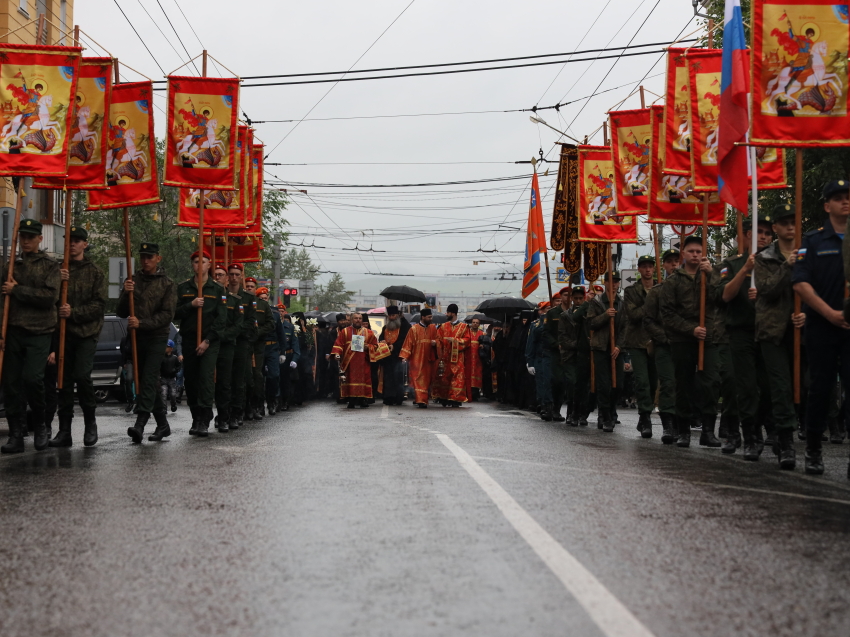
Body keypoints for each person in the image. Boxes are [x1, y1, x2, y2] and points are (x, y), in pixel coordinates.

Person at [796, 180, 850, 475]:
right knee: (821, 388)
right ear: (827, 206)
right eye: (838, 198)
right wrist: (830, 314)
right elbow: (801, 283)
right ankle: (814, 448)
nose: (845, 201)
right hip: (822, 325)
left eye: (848, 197)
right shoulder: (814, 241)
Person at [715, 217, 775, 458]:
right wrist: (745, 270)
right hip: (741, 332)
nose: (764, 237)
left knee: (770, 388)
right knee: (743, 386)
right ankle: (747, 435)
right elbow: (724, 295)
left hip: (770, 331)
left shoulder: (777, 263)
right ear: (748, 235)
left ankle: (760, 426)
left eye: (768, 233)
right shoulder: (730, 264)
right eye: (759, 232)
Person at [0, 219, 60, 454]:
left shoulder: (50, 266)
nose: (26, 241)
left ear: (39, 239)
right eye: (23, 236)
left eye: (30, 237)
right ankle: (16, 434)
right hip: (13, 330)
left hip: (39, 330)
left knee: (33, 379)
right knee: (10, 383)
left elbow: (49, 298)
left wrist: (17, 290)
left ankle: (41, 425)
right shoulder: (11, 266)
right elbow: (1, 299)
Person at [756, 203, 807, 470]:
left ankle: (784, 429)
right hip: (773, 331)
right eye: (785, 223)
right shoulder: (763, 257)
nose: (790, 227)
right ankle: (786, 441)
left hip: (802, 330)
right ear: (775, 228)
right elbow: (766, 290)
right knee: (780, 386)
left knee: (803, 385)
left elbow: (819, 288)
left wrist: (806, 313)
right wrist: (787, 266)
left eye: (794, 222)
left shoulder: (809, 253)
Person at [659, 235, 721, 448]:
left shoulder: (711, 275)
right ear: (683, 254)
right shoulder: (673, 281)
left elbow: (722, 298)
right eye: (691, 251)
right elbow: (667, 314)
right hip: (682, 339)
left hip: (708, 336)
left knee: (711, 382)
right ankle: (684, 430)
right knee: (683, 384)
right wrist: (691, 329)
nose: (695, 255)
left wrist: (712, 275)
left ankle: (708, 431)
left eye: (699, 252)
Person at [49, 225, 106, 448]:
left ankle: (90, 423)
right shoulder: (57, 270)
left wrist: (73, 312)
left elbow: (99, 305)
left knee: (82, 376)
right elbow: (47, 300)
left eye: (76, 241)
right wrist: (57, 281)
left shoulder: (95, 272)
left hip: (86, 333)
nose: (72, 244)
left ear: (85, 244)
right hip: (62, 334)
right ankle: (64, 430)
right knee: (63, 381)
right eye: (69, 240)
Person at [120, 242, 177, 443]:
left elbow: (167, 315)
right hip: (137, 337)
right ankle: (163, 425)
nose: (145, 260)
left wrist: (142, 323)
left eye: (150, 257)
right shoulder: (133, 280)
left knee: (149, 377)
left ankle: (140, 423)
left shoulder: (167, 284)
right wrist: (125, 292)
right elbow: (121, 311)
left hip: (157, 336)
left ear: (158, 258)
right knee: (149, 382)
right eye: (143, 256)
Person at [174, 250, 225, 437]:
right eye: (196, 262)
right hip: (189, 339)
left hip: (209, 341)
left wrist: (207, 340)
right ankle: (196, 417)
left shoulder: (217, 289)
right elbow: (173, 313)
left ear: (209, 265)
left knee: (205, 379)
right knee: (191, 380)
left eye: (203, 262)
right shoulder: (183, 288)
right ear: (192, 265)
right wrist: (191, 305)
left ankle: (204, 418)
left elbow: (221, 319)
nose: (199, 265)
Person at [643, 249, 680, 443]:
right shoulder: (657, 291)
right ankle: (668, 425)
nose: (674, 265)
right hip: (664, 345)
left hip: (686, 343)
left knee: (685, 384)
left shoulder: (693, 289)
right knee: (667, 383)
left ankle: (683, 424)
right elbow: (648, 320)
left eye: (677, 261)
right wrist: (664, 337)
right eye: (670, 261)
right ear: (664, 265)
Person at [586, 275, 625, 432]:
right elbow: (591, 323)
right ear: (605, 282)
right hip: (601, 347)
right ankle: (605, 416)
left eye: (616, 281)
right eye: (611, 281)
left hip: (617, 349)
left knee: (619, 384)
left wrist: (619, 346)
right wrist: (605, 315)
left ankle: (611, 410)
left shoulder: (622, 302)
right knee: (603, 384)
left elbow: (626, 327)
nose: (614, 284)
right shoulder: (597, 302)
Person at [226, 263, 254, 429]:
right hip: (225, 341)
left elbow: (250, 321)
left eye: (237, 274)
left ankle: (236, 412)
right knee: (224, 379)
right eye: (231, 274)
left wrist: (235, 331)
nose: (234, 277)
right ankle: (224, 412)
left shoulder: (248, 298)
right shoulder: (223, 294)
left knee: (238, 379)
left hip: (241, 341)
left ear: (241, 276)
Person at [331, 312, 378, 408]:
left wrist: (368, 347)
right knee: (350, 380)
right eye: (356, 318)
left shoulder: (369, 333)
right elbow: (339, 344)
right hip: (350, 362)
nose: (358, 320)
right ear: (352, 320)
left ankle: (363, 399)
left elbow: (375, 346)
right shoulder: (345, 332)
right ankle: (351, 400)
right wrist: (336, 353)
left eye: (360, 318)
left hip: (363, 362)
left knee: (364, 380)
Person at [244, 276, 274, 419]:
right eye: (247, 286)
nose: (249, 288)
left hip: (257, 345)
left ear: (255, 288)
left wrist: (257, 332)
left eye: (251, 286)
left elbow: (270, 324)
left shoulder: (262, 305)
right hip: (243, 343)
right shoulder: (240, 300)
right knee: (244, 376)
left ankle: (256, 406)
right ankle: (243, 407)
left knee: (257, 375)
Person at [432, 304, 471, 407]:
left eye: (448, 312)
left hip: (458, 359)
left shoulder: (464, 327)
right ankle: (444, 398)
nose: (446, 314)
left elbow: (467, 341)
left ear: (453, 313)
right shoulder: (443, 326)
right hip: (445, 358)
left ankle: (456, 399)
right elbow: (439, 339)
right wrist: (436, 342)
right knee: (445, 378)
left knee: (457, 378)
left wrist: (454, 340)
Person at [400, 309, 438, 407]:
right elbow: (408, 343)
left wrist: (436, 343)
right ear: (423, 317)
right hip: (416, 360)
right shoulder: (414, 329)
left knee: (426, 380)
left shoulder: (433, 328)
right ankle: (421, 400)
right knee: (417, 379)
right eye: (429, 317)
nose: (431, 319)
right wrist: (404, 356)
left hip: (428, 360)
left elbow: (439, 340)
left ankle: (420, 399)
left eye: (431, 317)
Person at [544, 289, 572, 422]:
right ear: (561, 296)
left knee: (571, 382)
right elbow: (546, 332)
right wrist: (556, 344)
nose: (568, 297)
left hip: (572, 351)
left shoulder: (575, 312)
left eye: (570, 295)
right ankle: (555, 408)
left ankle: (572, 412)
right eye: (565, 295)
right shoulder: (552, 313)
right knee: (558, 381)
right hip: (557, 352)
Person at [559, 286, 584, 426]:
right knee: (572, 383)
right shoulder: (564, 316)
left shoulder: (588, 314)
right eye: (576, 298)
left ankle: (581, 413)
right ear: (572, 299)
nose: (578, 301)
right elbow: (562, 336)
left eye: (581, 298)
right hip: (569, 355)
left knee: (583, 385)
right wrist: (577, 344)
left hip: (584, 354)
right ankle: (571, 412)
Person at [377, 306, 410, 406]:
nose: (391, 317)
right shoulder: (385, 327)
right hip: (387, 357)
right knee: (388, 378)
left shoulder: (403, 326)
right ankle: (388, 397)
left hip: (397, 356)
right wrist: (382, 341)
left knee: (397, 377)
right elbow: (381, 338)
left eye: (393, 315)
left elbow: (405, 339)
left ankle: (398, 398)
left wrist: (394, 346)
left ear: (397, 315)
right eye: (390, 315)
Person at [258, 287, 283, 413]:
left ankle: (272, 401)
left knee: (274, 376)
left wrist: (282, 352)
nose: (264, 300)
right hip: (259, 346)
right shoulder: (255, 311)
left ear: (268, 298)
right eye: (261, 298)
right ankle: (259, 405)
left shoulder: (275, 314)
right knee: (258, 377)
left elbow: (281, 333)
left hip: (272, 348)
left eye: (265, 298)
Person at [526, 303, 552, 420]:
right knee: (542, 382)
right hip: (540, 357)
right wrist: (530, 361)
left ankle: (553, 407)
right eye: (547, 308)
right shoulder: (535, 324)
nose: (549, 310)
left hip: (554, 356)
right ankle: (544, 405)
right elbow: (531, 343)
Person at [277, 309, 300, 410]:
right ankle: (275, 402)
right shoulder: (272, 325)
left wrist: (294, 359)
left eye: (282, 311)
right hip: (274, 355)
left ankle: (285, 401)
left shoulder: (290, 327)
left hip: (287, 356)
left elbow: (295, 344)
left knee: (285, 381)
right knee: (274, 379)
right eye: (278, 311)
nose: (280, 313)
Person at [465, 317, 485, 401]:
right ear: (471, 323)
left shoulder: (482, 334)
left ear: (479, 324)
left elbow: (486, 344)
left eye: (477, 322)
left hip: (478, 359)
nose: (475, 324)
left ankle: (475, 394)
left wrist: (483, 346)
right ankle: (467, 393)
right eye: (473, 322)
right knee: (468, 375)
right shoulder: (467, 332)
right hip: (468, 358)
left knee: (477, 375)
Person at [160, 340, 181, 413]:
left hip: (172, 378)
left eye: (167, 346)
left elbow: (179, 366)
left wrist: (175, 370)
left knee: (173, 394)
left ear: (171, 348)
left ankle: (173, 404)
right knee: (163, 393)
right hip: (163, 378)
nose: (165, 348)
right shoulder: (162, 357)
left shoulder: (174, 358)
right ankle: (164, 408)